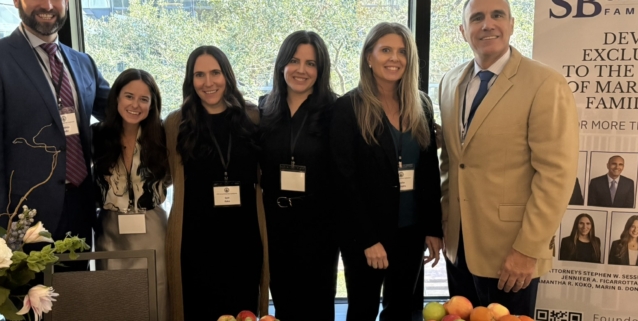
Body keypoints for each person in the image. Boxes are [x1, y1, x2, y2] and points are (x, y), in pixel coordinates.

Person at [436, 0, 579, 316]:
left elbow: (556, 175)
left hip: (511, 255)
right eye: (477, 18)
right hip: (457, 248)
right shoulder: (449, 82)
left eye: (497, 15)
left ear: (512, 24)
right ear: (463, 31)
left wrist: (528, 250)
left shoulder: (545, 84)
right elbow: (451, 162)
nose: (487, 24)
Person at [0, 0, 109, 259]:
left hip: (81, 210)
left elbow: (124, 110)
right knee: (31, 299)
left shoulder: (83, 63)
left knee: (78, 296)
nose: (48, 5)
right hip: (23, 222)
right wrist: (0, 229)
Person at [331, 22, 443, 321]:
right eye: (386, 50)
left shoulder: (421, 104)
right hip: (367, 234)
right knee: (363, 310)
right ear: (369, 56)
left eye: (402, 52)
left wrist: (433, 227)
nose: (395, 58)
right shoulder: (347, 108)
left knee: (401, 310)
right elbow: (345, 181)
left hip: (411, 230)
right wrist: (367, 240)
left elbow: (429, 169)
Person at [163, 46, 268, 321]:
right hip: (196, 243)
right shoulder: (177, 123)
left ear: (227, 76)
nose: (208, 83)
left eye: (215, 73)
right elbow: (161, 175)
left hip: (244, 242)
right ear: (190, 80)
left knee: (243, 312)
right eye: (199, 75)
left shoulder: (252, 118)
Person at [258, 31, 339, 321]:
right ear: (282, 64)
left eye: (311, 63)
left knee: (318, 305)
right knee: (284, 301)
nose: (301, 70)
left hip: (320, 226)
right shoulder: (264, 107)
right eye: (294, 60)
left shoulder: (336, 110)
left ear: (321, 69)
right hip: (276, 224)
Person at [91, 69, 168, 320]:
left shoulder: (163, 136)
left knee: (156, 296)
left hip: (152, 230)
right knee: (115, 298)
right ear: (116, 98)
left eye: (144, 99)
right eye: (129, 96)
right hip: (111, 231)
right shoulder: (96, 136)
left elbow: (173, 177)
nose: (135, 105)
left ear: (152, 104)